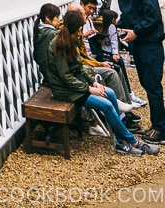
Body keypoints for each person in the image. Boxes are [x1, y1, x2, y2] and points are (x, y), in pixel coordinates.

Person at [47, 10, 157, 155]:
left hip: (76, 84)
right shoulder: (59, 44)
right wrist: (88, 89)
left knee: (109, 92)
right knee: (106, 105)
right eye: (80, 29)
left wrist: (94, 82)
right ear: (75, 28)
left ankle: (120, 141)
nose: (82, 33)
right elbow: (65, 77)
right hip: (65, 90)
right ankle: (132, 141)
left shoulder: (72, 39)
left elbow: (80, 66)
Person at [115, 0, 165, 143]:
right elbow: (127, 16)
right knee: (146, 83)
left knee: (153, 85)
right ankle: (157, 124)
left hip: (150, 43)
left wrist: (137, 31)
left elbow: (153, 17)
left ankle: (161, 128)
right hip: (137, 43)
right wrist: (115, 27)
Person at [33, 3, 61, 85]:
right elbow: (45, 59)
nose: (59, 20)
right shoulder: (50, 34)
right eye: (57, 17)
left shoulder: (42, 31)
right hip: (53, 79)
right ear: (47, 18)